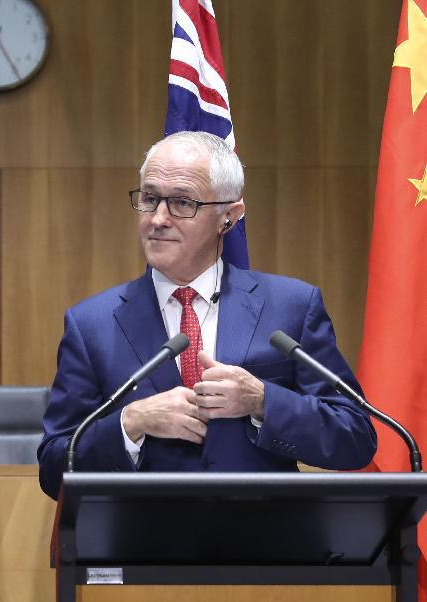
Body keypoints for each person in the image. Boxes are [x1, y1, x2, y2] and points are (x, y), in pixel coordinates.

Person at [37, 131, 377, 499]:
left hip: (265, 532)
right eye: (150, 199)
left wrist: (263, 401)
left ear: (228, 217)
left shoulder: (291, 306)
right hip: (144, 533)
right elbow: (54, 469)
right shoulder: (91, 325)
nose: (158, 218)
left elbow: (355, 437)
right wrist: (131, 423)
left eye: (182, 202)